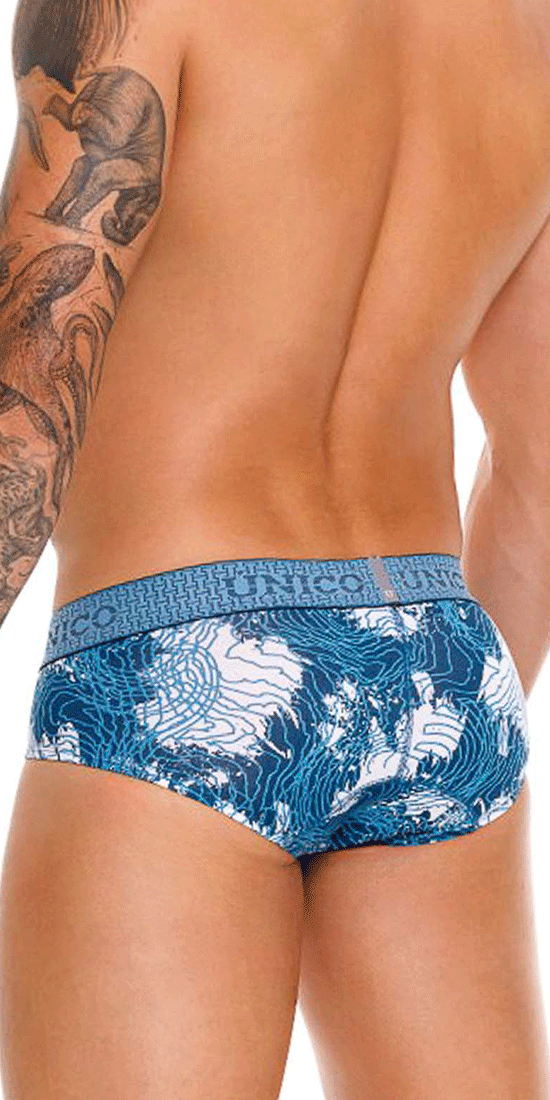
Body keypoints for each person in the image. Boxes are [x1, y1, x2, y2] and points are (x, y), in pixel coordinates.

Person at [0, 0, 549, 1095]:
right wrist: (436, 717)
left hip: (176, 663)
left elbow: (29, 391)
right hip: (439, 663)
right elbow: (540, 464)